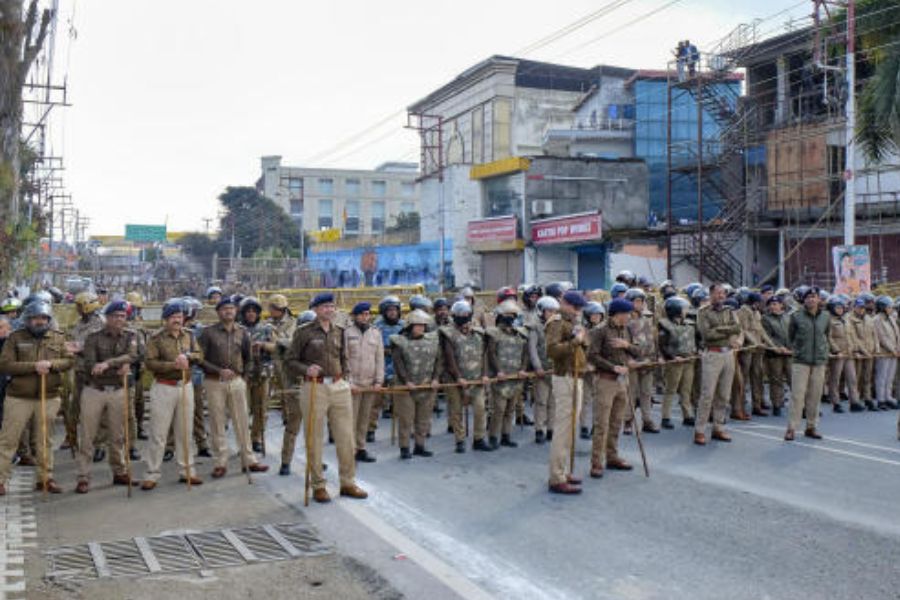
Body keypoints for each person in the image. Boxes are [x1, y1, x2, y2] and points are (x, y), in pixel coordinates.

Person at [285, 292, 367, 503]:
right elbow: (290, 360)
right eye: (324, 307)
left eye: (331, 306)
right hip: (314, 387)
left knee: (346, 437)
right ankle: (318, 485)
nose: (329, 310)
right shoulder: (303, 332)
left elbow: (343, 358)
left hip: (339, 386)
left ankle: (348, 482)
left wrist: (346, 379)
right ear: (315, 309)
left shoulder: (340, 330)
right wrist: (306, 369)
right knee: (314, 437)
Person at [0, 301, 74, 495]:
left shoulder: (58, 337)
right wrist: (34, 366)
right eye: (35, 318)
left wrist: (51, 364)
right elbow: (5, 364)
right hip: (18, 397)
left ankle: (45, 479)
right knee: (8, 440)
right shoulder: (15, 337)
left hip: (48, 397)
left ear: (48, 320)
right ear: (27, 319)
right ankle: (1, 480)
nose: (39, 321)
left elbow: (69, 361)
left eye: (43, 318)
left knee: (45, 440)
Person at [75, 300, 141, 493]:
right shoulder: (93, 338)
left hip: (118, 390)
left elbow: (133, 355)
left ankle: (119, 471)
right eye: (115, 316)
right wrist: (117, 365)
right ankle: (83, 476)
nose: (119, 319)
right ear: (107, 317)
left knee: (118, 435)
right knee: (87, 436)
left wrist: (108, 364)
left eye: (122, 316)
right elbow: (90, 365)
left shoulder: (131, 336)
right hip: (95, 390)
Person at [199, 296, 269, 479]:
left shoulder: (242, 332)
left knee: (242, 421)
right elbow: (199, 359)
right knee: (217, 422)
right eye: (224, 309)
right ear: (218, 312)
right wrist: (218, 371)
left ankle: (249, 460)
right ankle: (220, 462)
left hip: (237, 382)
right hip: (215, 382)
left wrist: (243, 378)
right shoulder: (208, 333)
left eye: (231, 308)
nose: (228, 311)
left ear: (236, 311)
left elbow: (248, 358)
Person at [141, 299, 204, 490]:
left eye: (180, 316)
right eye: (173, 317)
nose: (177, 320)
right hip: (164, 386)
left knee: (185, 431)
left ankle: (187, 471)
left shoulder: (189, 335)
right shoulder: (156, 338)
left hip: (185, 386)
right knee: (158, 432)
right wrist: (173, 365)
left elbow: (199, 354)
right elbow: (150, 363)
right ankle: (152, 473)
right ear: (166, 319)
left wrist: (188, 357)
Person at [586, 297, 638, 479]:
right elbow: (592, 355)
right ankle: (596, 462)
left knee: (616, 421)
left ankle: (612, 456)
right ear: (618, 314)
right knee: (602, 423)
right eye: (627, 313)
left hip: (622, 381)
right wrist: (612, 367)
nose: (629, 316)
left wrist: (627, 346)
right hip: (605, 380)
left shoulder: (626, 329)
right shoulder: (599, 330)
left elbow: (638, 351)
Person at [545, 290, 588, 495]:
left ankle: (564, 470)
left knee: (571, 428)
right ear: (565, 304)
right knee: (563, 429)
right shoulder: (556, 323)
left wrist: (581, 339)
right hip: (565, 377)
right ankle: (557, 477)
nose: (578, 311)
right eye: (575, 307)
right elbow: (552, 351)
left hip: (576, 376)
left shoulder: (572, 322)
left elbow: (583, 348)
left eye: (579, 308)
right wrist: (575, 341)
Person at [439, 300, 491, 453]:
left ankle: (479, 438)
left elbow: (484, 355)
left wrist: (485, 374)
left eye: (466, 313)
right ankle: (460, 440)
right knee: (456, 411)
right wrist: (458, 377)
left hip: (476, 378)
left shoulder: (478, 333)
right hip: (455, 380)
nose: (463, 316)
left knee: (480, 408)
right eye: (460, 313)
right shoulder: (448, 333)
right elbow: (449, 357)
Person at [694, 283, 741, 446]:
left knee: (724, 394)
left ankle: (718, 428)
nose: (721, 296)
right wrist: (727, 330)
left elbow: (737, 328)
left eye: (723, 293)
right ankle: (700, 430)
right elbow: (707, 334)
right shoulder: (703, 312)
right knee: (707, 395)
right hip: (712, 354)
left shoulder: (729, 310)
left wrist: (720, 329)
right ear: (711, 294)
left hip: (728, 354)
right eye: (717, 293)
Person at [391, 309, 441, 459]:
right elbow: (398, 363)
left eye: (423, 325)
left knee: (423, 419)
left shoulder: (432, 341)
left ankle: (420, 445)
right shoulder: (399, 341)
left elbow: (438, 361)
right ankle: (404, 447)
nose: (421, 328)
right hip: (406, 387)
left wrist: (435, 378)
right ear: (410, 326)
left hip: (426, 385)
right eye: (418, 325)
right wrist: (406, 381)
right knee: (406, 418)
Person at [785, 287, 831, 441]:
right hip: (801, 361)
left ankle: (811, 426)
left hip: (819, 362)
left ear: (818, 299)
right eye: (808, 297)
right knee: (797, 396)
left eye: (814, 296)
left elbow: (827, 336)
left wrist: (824, 353)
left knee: (815, 396)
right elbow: (791, 337)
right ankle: (792, 428)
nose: (811, 299)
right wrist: (798, 351)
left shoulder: (825, 316)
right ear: (803, 300)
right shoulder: (796, 316)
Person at [65, 291, 106, 457]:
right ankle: (71, 438)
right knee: (74, 407)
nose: (77, 309)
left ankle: (99, 445)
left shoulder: (100, 323)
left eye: (79, 306)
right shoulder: (79, 323)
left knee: (97, 411)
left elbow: (99, 347)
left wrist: (79, 348)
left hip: (95, 373)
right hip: (80, 371)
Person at [485, 300, 529, 450]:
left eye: (513, 315)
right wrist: (498, 371)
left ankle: (506, 436)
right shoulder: (493, 333)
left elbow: (525, 354)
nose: (510, 317)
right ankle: (493, 437)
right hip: (501, 378)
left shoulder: (520, 333)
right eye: (507, 314)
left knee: (510, 409)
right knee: (498, 410)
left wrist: (523, 369)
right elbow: (491, 353)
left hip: (516, 377)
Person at [344, 302, 383, 463]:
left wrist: (378, 381)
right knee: (350, 419)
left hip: (369, 383)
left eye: (367, 314)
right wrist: (349, 382)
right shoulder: (347, 333)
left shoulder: (375, 333)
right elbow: (344, 359)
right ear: (355, 316)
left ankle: (361, 448)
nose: (365, 317)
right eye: (361, 314)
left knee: (364, 418)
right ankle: (349, 450)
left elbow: (379, 359)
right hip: (353, 384)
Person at [238, 297, 276, 454]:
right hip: (243, 375)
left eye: (254, 311)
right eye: (248, 311)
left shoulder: (267, 328)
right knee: (242, 409)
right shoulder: (237, 329)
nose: (251, 314)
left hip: (262, 373)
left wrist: (263, 345)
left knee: (261, 408)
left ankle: (256, 438)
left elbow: (276, 347)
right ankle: (244, 441)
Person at [624, 288, 660, 433]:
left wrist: (657, 356)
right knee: (631, 393)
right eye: (637, 301)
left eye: (641, 301)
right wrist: (628, 360)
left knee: (647, 393)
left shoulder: (648, 319)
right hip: (633, 362)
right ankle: (628, 420)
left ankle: (647, 420)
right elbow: (623, 343)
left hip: (648, 361)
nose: (639, 304)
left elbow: (654, 340)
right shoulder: (625, 321)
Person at [658, 296, 696, 428]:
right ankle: (666, 417)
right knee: (670, 390)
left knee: (686, 389)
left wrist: (699, 350)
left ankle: (688, 415)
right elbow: (662, 345)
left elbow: (697, 339)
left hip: (689, 360)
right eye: (684, 308)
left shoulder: (690, 323)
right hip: (674, 362)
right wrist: (672, 357)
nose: (686, 311)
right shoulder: (665, 325)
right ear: (676, 310)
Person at [370, 295, 404, 442]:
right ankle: (370, 429)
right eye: (389, 310)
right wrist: (384, 351)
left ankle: (405, 431)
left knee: (402, 402)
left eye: (394, 310)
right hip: (380, 367)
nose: (392, 312)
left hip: (398, 367)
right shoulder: (376, 326)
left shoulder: (403, 326)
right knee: (375, 402)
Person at [826, 296, 862, 413]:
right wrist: (836, 350)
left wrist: (855, 349)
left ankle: (854, 402)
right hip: (838, 354)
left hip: (848, 353)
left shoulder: (846, 320)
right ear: (832, 308)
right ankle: (836, 403)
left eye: (841, 308)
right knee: (835, 379)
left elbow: (851, 335)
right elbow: (829, 338)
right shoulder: (829, 321)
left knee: (852, 378)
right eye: (837, 308)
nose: (840, 310)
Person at [529, 296, 556, 444]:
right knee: (541, 401)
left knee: (553, 402)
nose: (552, 314)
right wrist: (537, 366)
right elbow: (533, 349)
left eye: (554, 311)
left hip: (555, 370)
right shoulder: (535, 327)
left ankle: (551, 429)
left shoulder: (558, 327)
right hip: (542, 371)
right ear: (541, 311)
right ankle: (539, 429)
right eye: (549, 311)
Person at [761, 296, 792, 416]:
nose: (773, 306)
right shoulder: (766, 319)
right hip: (774, 353)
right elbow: (767, 336)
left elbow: (793, 333)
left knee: (793, 379)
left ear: (781, 305)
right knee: (776, 380)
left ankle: (801, 406)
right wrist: (778, 346)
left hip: (789, 353)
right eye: (771, 304)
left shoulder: (787, 317)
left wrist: (792, 347)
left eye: (775, 304)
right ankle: (777, 404)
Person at [579, 302, 606, 439]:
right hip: (587, 370)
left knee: (599, 400)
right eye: (593, 315)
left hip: (601, 369)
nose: (596, 317)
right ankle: (584, 425)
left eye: (599, 315)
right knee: (585, 399)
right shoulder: (582, 331)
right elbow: (578, 350)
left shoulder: (605, 330)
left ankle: (596, 425)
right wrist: (585, 364)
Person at [848, 298, 877, 410]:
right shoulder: (849, 319)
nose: (861, 310)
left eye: (863, 308)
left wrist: (875, 348)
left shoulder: (869, 319)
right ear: (854, 307)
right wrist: (864, 351)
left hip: (869, 352)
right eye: (859, 307)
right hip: (858, 352)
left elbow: (874, 334)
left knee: (867, 377)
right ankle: (854, 401)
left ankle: (867, 399)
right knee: (856, 378)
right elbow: (853, 337)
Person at [873, 296, 899, 410]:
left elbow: (897, 334)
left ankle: (888, 397)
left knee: (890, 376)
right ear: (882, 307)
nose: (891, 309)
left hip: (894, 352)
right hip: (884, 352)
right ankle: (881, 399)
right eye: (889, 307)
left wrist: (898, 348)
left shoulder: (891, 318)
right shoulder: (877, 319)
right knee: (882, 376)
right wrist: (893, 349)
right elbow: (882, 337)